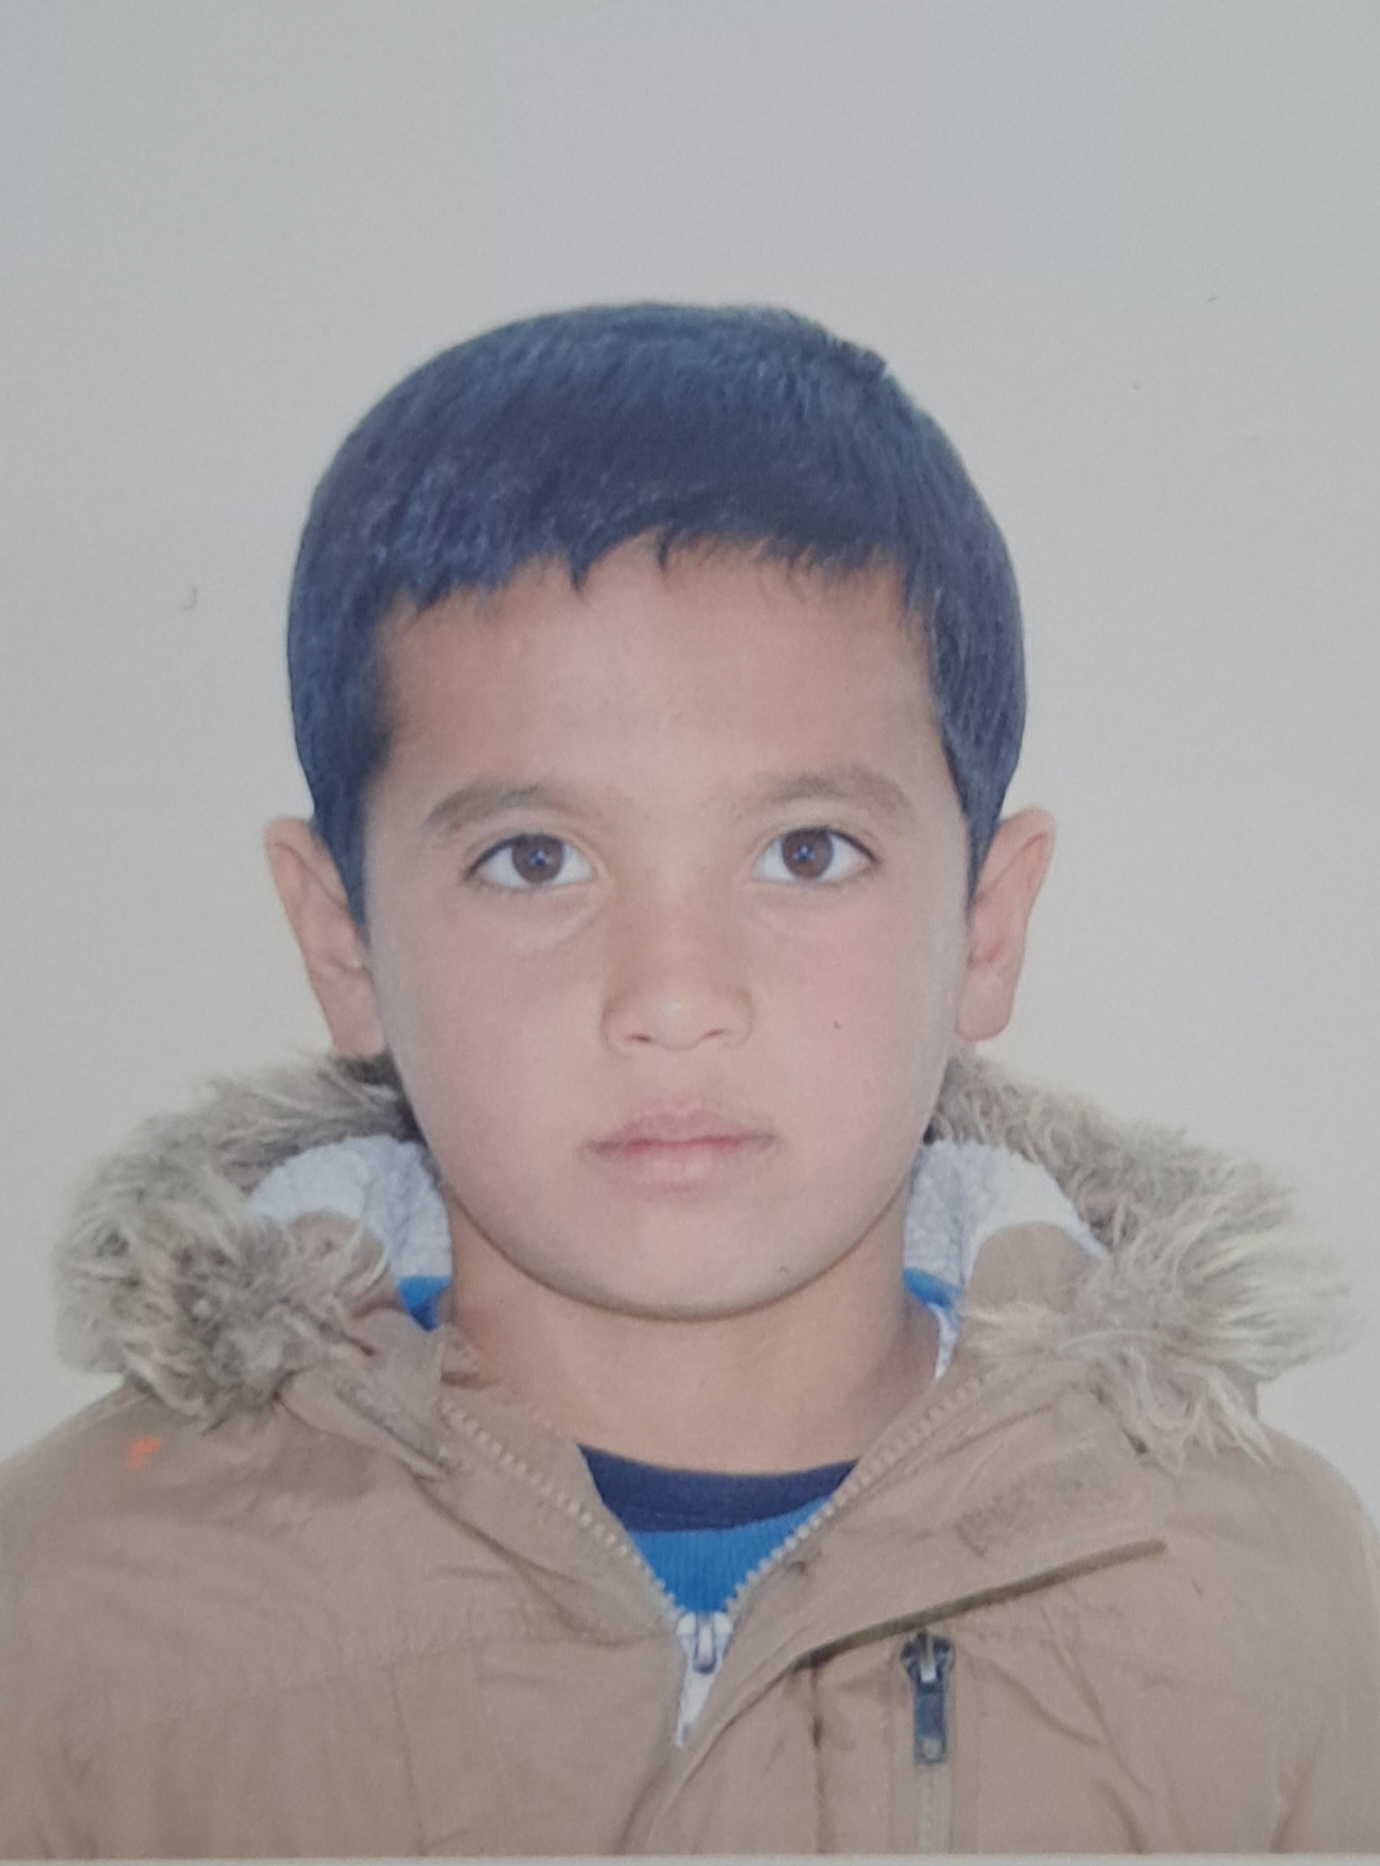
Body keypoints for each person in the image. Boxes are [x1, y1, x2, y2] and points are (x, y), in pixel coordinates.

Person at [2, 304, 1377, 1857]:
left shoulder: (1262, 1606)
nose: (673, 998)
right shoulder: (83, 1608)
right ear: (344, 939)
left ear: (986, 928)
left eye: (808, 853)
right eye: (535, 860)